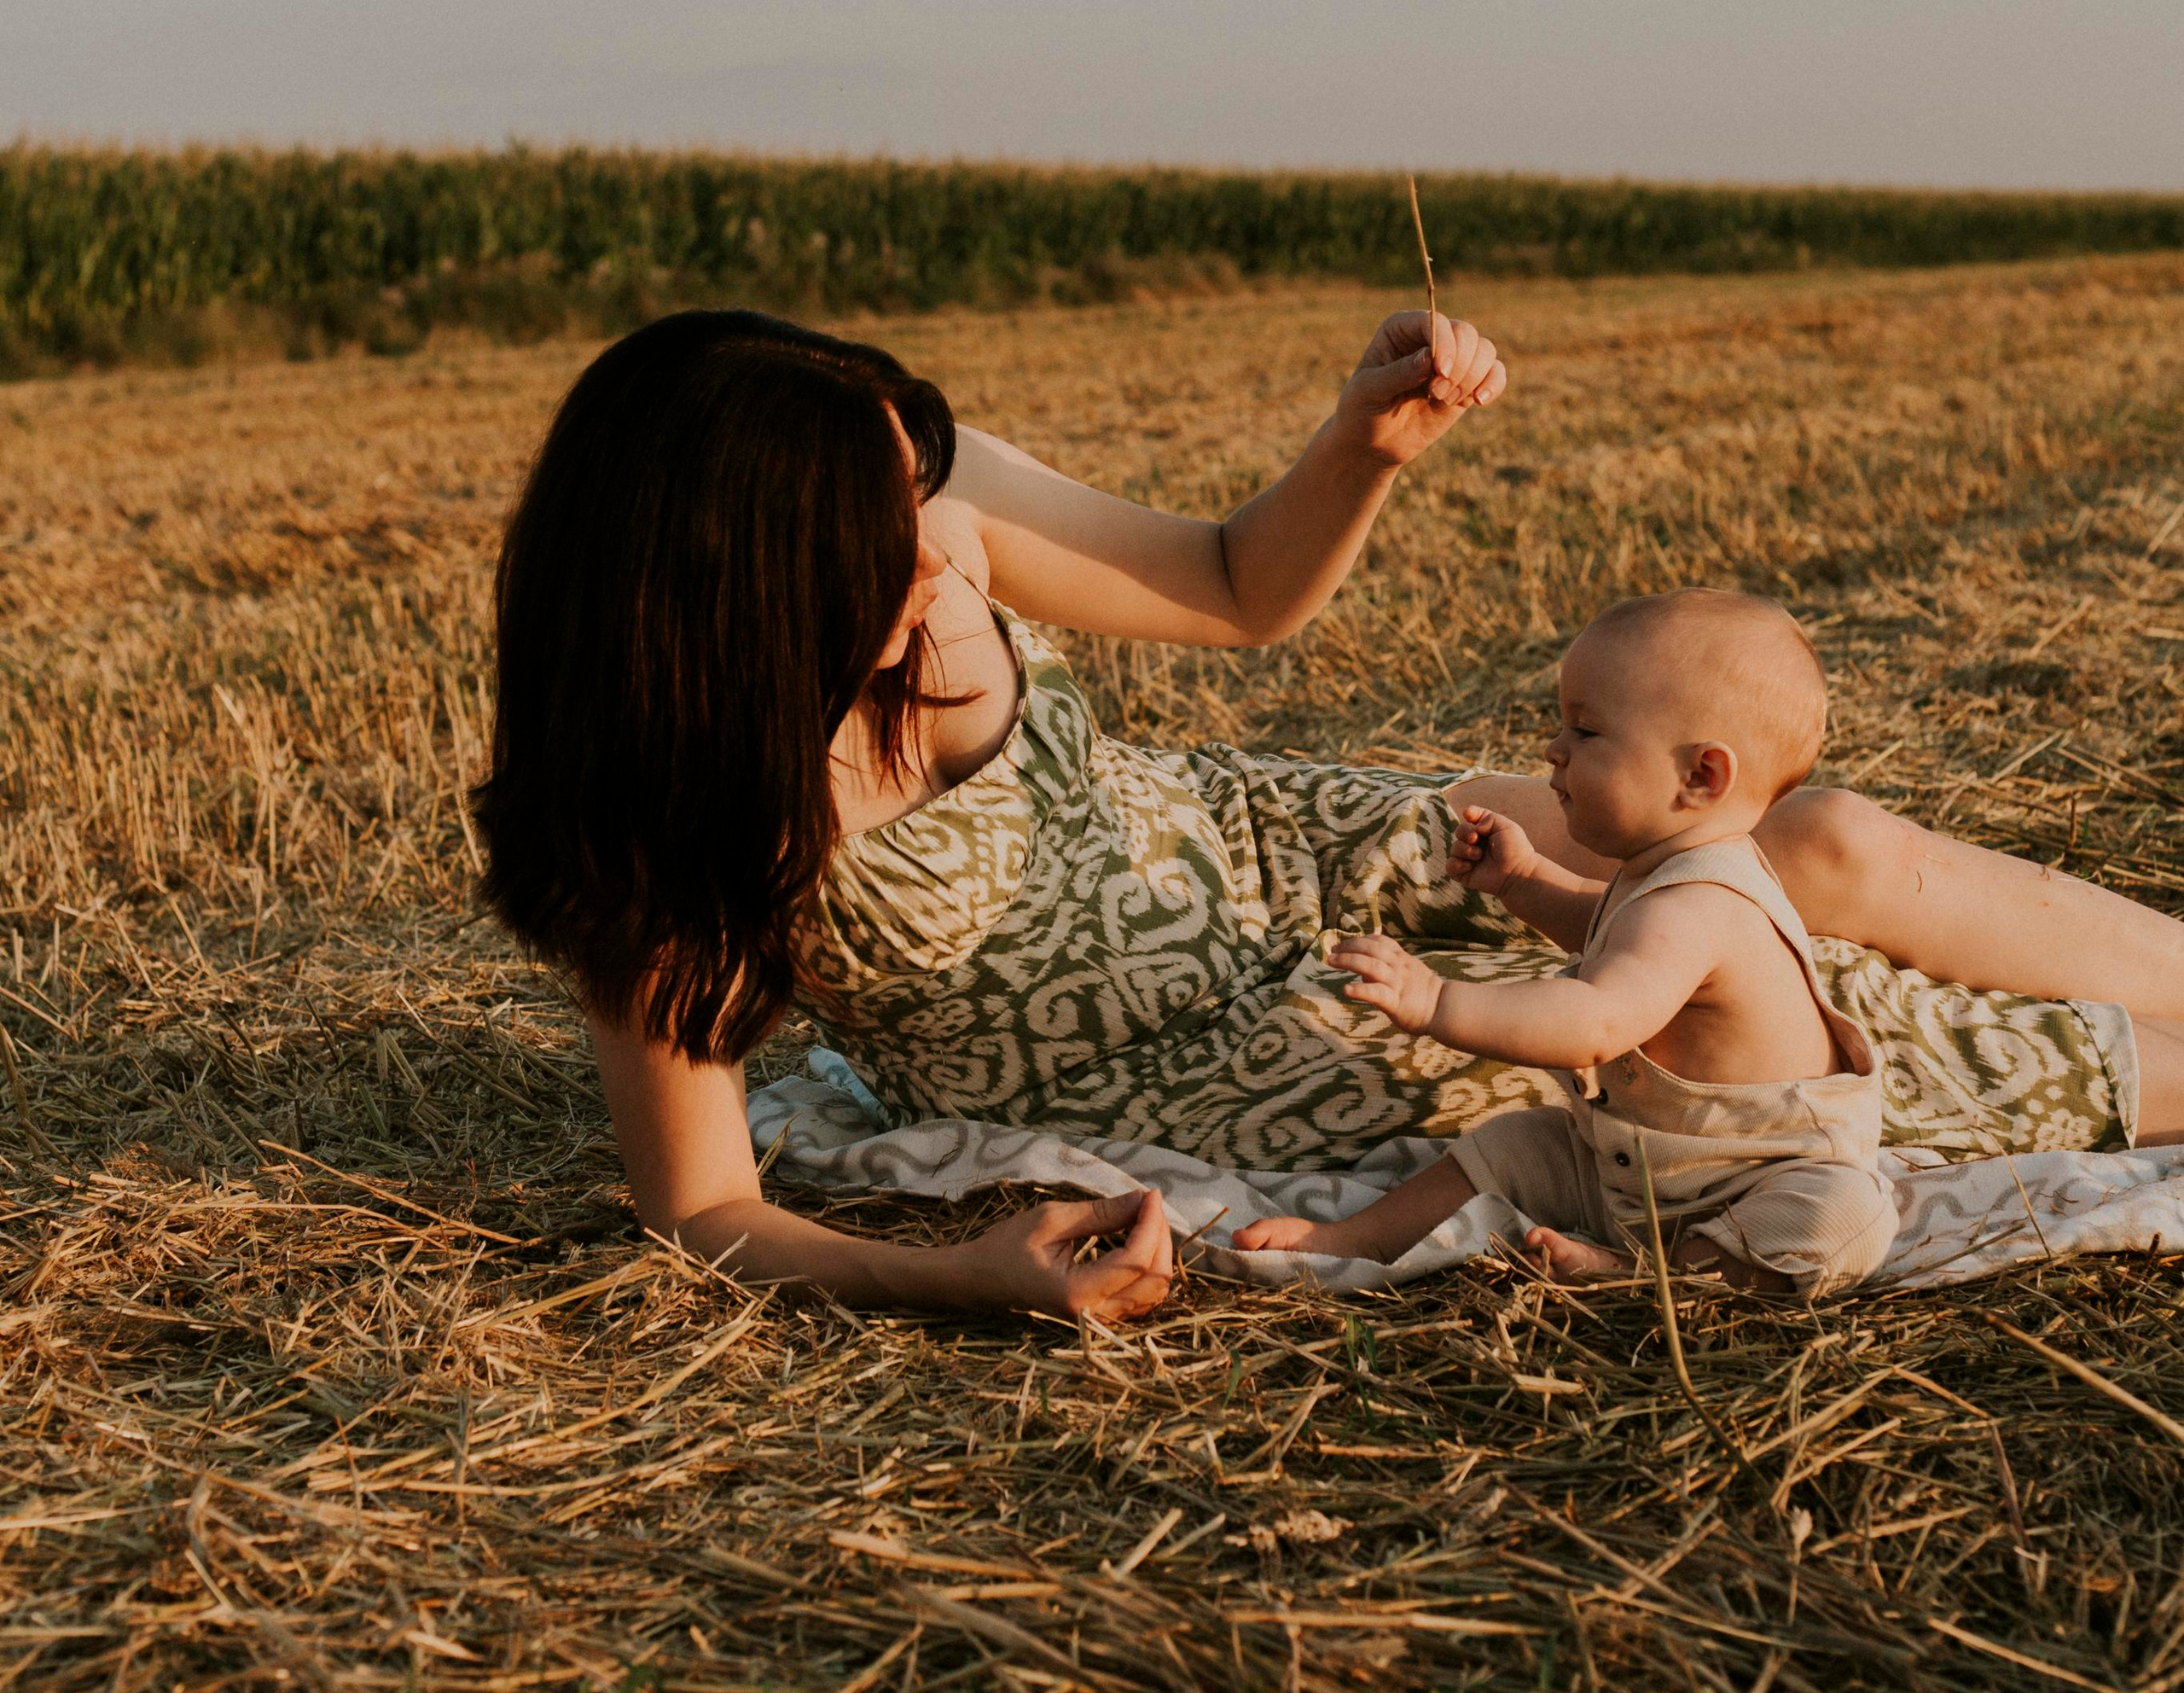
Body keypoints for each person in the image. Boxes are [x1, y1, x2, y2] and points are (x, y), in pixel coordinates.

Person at [475, 305, 2184, 1327]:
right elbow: (702, 1214)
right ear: (735, 600)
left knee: (1785, 856)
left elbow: (1231, 584)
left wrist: (1366, 440)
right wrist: (976, 1274)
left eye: (924, 496)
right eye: (887, 543)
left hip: (1271, 846)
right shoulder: (675, 830)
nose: (943, 548)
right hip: (1197, 1058)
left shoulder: (899, 477)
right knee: (1768, 1063)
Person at [1232, 591, 1896, 1295]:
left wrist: (1439, 1003)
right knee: (1514, 1146)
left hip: (1756, 1179)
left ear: (1700, 776)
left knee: (1837, 1221)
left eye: (1586, 732)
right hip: (1639, 1165)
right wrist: (1525, 881)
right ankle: (1348, 1242)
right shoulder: (1664, 876)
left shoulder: (1705, 905)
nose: (1553, 750)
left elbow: (1596, 1019)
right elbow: (1611, 937)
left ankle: (1646, 1276)